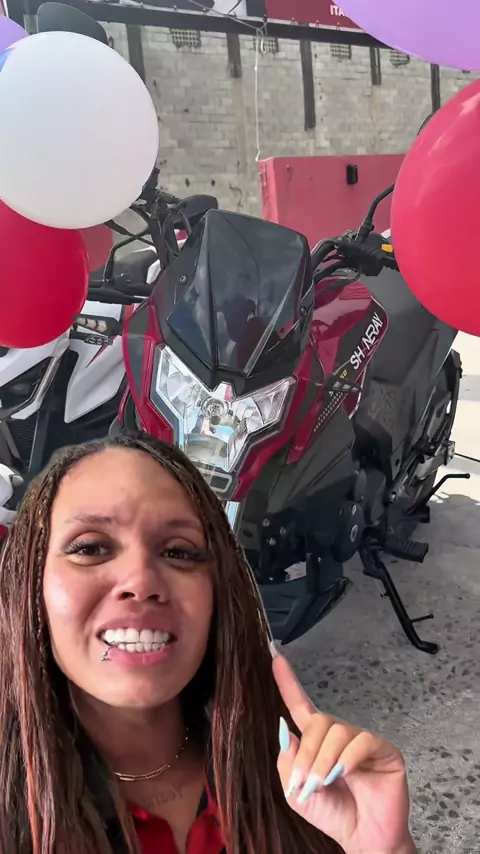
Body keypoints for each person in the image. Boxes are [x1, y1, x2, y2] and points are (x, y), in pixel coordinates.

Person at [0, 432, 416, 854]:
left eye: (179, 552)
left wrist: (386, 847)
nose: (141, 581)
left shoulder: (298, 780)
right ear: (30, 584)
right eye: (91, 547)